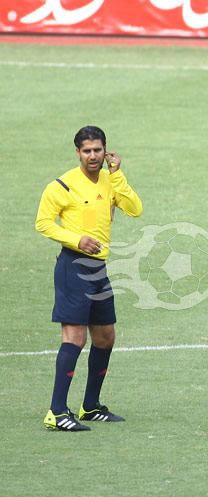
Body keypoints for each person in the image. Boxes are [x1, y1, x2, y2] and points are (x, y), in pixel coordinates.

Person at [35, 126, 143, 431]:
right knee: (75, 338)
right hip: (73, 267)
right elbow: (43, 223)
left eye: (97, 150)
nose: (92, 156)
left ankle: (90, 406)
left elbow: (135, 209)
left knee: (105, 337)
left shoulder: (111, 181)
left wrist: (118, 175)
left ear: (105, 150)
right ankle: (56, 412)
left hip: (98, 269)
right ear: (78, 152)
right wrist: (76, 240)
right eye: (86, 151)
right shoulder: (62, 185)